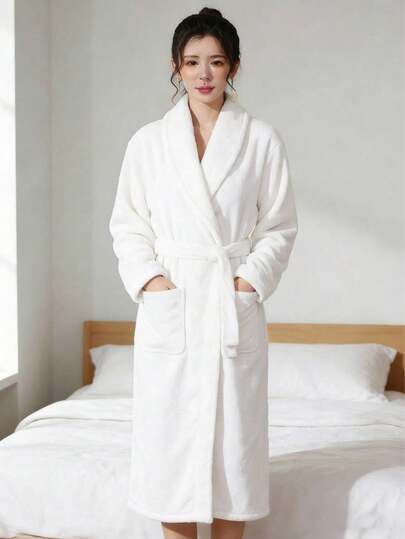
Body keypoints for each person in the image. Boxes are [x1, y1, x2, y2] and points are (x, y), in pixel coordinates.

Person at [109, 7, 298, 539]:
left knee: (234, 450)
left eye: (216, 61)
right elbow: (128, 226)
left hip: (230, 301)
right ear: (176, 66)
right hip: (173, 303)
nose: (204, 73)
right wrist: (153, 284)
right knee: (169, 448)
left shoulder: (260, 139)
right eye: (192, 61)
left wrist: (247, 283)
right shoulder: (148, 143)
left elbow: (279, 226)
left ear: (233, 66)